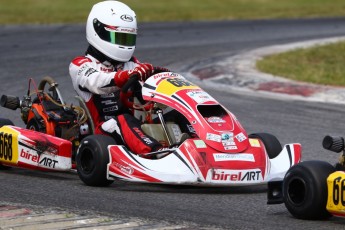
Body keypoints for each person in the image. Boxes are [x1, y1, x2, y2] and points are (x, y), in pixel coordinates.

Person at [69, 0, 169, 157]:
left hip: (138, 130)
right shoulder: (81, 65)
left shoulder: (132, 64)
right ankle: (156, 154)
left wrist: (160, 83)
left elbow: (151, 99)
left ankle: (203, 148)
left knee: (178, 115)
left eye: (127, 40)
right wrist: (126, 76)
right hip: (103, 133)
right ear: (99, 32)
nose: (124, 45)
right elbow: (97, 82)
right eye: (119, 38)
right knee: (122, 119)